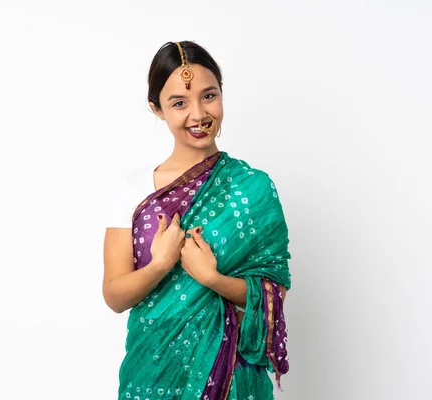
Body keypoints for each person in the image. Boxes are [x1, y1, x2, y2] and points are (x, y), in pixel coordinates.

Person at [103, 40, 291, 400]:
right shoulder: (133, 190)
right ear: (156, 109)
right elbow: (114, 294)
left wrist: (211, 278)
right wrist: (161, 265)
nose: (198, 114)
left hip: (230, 372)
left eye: (209, 96)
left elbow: (274, 293)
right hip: (153, 369)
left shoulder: (253, 189)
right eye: (179, 103)